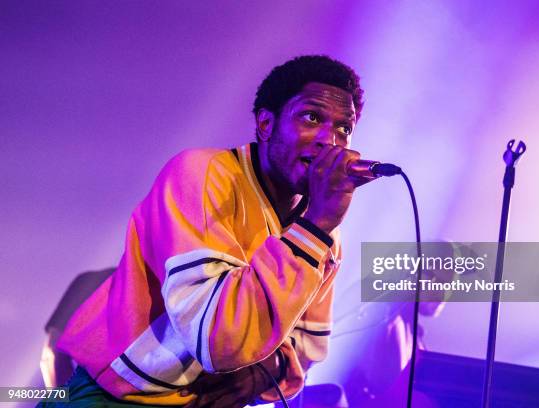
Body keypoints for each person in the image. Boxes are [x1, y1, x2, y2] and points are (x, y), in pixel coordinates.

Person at [43, 55, 365, 407]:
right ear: (266, 123)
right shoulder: (203, 175)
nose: (329, 140)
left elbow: (306, 344)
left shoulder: (322, 235)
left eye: (343, 129)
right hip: (117, 397)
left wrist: (264, 369)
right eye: (312, 117)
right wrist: (317, 225)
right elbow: (217, 341)